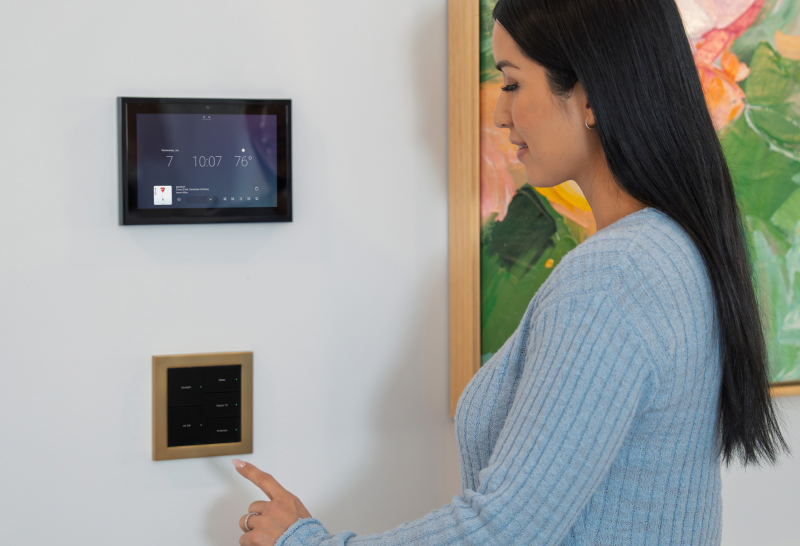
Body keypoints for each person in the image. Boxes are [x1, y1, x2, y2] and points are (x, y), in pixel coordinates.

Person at [231, 0, 788, 544]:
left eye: (514, 83)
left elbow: (504, 530)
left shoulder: (614, 276)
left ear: (590, 95)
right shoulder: (672, 248)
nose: (498, 113)